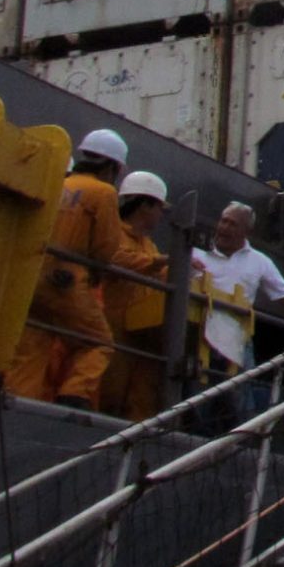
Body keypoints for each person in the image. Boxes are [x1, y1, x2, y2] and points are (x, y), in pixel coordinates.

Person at [6, 128, 132, 409]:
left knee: (32, 343)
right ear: (112, 166)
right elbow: (105, 247)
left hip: (32, 275)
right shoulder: (103, 193)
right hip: (67, 280)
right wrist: (98, 271)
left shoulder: (57, 184)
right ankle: (75, 394)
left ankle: (17, 403)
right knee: (97, 342)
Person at [191, 201, 284, 421]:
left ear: (246, 231)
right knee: (196, 396)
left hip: (237, 338)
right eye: (223, 221)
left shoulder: (259, 262)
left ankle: (245, 444)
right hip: (198, 334)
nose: (224, 227)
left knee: (241, 400)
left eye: (232, 224)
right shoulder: (196, 251)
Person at [100, 170, 171, 422]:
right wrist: (158, 263)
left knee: (141, 396)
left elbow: (158, 273)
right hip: (111, 327)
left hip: (141, 332)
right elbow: (115, 258)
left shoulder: (148, 245)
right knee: (108, 390)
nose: (161, 214)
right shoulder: (112, 232)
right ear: (145, 205)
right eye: (159, 207)